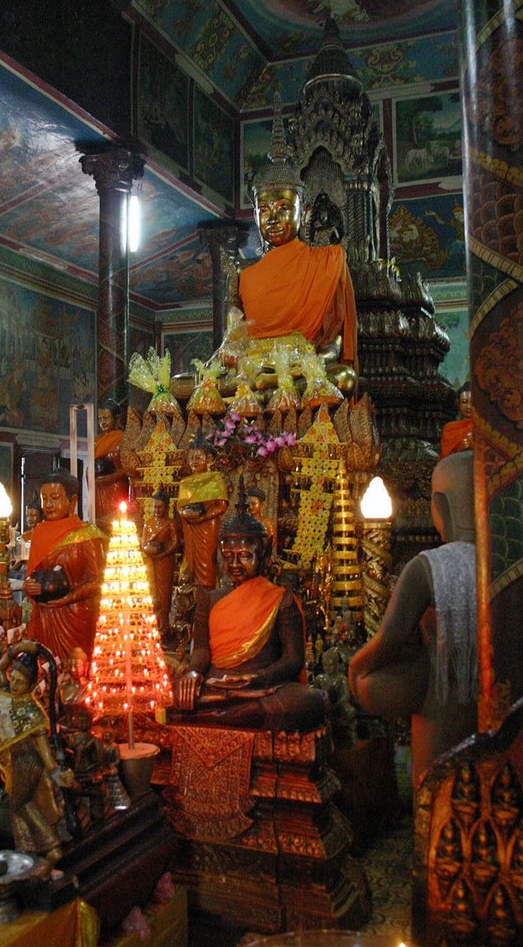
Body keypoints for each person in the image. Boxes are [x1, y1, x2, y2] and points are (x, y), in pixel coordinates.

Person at [348, 451, 477, 796]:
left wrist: (356, 669)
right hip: (499, 709)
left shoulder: (427, 568)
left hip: (442, 707)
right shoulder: (508, 562)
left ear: (441, 506)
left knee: (439, 802)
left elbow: (387, 642)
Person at [172, 482, 327, 732]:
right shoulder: (209, 599)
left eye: (244, 556)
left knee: (308, 702)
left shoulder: (281, 599)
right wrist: (192, 673)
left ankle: (215, 716)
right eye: (228, 557)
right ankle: (224, 712)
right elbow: (201, 649)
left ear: (262, 554)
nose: (234, 564)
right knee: (165, 692)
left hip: (262, 689)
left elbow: (293, 659)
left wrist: (257, 679)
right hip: (216, 686)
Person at [237, 92, 357, 395]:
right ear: (254, 215)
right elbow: (232, 341)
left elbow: (335, 342)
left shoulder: (327, 262)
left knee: (343, 378)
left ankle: (270, 384)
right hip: (253, 370)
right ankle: (267, 384)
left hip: (305, 368)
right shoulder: (244, 275)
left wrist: (308, 362)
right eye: (264, 210)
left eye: (283, 208)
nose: (273, 218)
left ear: (303, 212)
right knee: (187, 384)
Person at [0, 639, 71, 876]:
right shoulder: (6, 693)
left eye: (21, 682)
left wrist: (57, 772)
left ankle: (51, 846)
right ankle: (26, 852)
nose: (15, 684)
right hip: (15, 763)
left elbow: (45, 752)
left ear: (31, 685)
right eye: (14, 679)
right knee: (16, 806)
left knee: (19, 803)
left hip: (30, 763)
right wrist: (17, 650)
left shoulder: (32, 712)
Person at [23, 470, 105, 662]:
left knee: (75, 671)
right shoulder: (39, 532)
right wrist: (28, 585)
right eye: (44, 498)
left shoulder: (87, 535)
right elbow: (32, 574)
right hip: (44, 616)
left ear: (72, 501)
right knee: (46, 667)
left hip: (76, 617)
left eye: (55, 497)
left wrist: (68, 597)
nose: (48, 504)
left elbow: (98, 582)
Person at [176, 436, 228, 590]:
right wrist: (185, 513)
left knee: (207, 560)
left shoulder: (215, 479)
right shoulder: (185, 482)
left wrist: (204, 516)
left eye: (198, 457)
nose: (194, 461)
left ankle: (207, 591)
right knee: (190, 558)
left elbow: (222, 505)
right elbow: (180, 507)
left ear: (209, 459)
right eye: (191, 458)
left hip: (207, 527)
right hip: (191, 526)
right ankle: (191, 590)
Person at [141, 487, 179, 638]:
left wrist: (162, 551)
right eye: (154, 507)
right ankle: (152, 624)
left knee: (164, 594)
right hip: (151, 561)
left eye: (160, 507)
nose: (157, 510)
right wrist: (148, 549)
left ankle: (164, 626)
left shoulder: (170, 523)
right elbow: (143, 543)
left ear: (167, 507)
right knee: (152, 592)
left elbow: (175, 543)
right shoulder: (148, 523)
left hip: (165, 561)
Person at [93, 398, 129, 530]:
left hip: (115, 486)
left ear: (117, 418)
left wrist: (111, 477)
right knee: (99, 521)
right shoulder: (97, 440)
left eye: (106, 418)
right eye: (100, 419)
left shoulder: (122, 438)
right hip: (98, 488)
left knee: (114, 522)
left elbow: (129, 469)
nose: (102, 422)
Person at [440, 381, 473, 458]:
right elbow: (444, 461)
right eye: (464, 402)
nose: (468, 406)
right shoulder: (449, 429)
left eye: (473, 403)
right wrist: (461, 448)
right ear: (458, 403)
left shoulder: (483, 429)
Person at [245, 486, 277, 550]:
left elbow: (272, 542)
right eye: (248, 504)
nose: (250, 507)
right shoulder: (244, 521)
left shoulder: (267, 523)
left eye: (254, 504)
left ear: (262, 505)